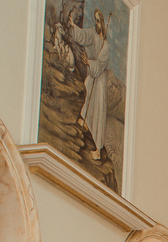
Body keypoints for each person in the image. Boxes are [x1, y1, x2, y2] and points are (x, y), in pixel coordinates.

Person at [65, 9, 110, 161]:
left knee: (98, 110)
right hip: (93, 76)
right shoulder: (93, 34)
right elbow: (83, 36)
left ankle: (98, 148)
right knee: (87, 92)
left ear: (102, 23)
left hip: (100, 81)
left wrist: (88, 62)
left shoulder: (106, 45)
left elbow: (102, 64)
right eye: (95, 19)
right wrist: (73, 26)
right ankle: (85, 121)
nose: (96, 23)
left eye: (98, 20)